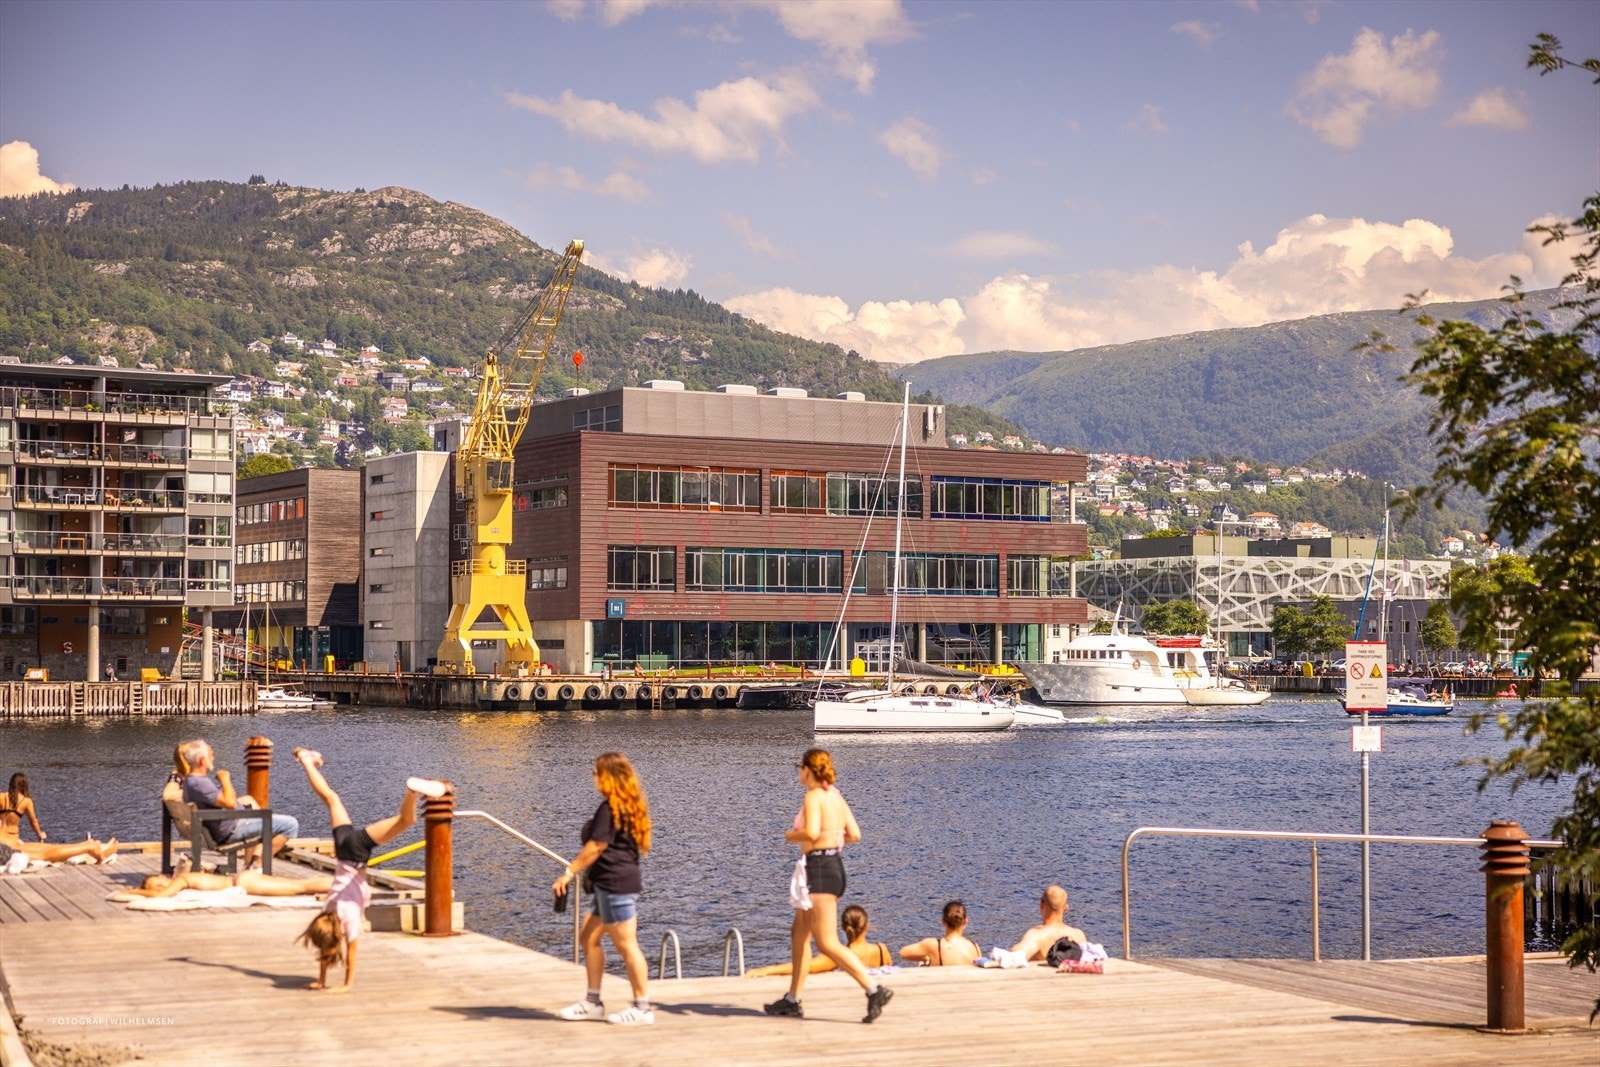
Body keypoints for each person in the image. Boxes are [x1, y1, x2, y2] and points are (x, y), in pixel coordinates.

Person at [292, 748, 438, 993]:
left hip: (356, 852)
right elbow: (327, 948)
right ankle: (306, 761)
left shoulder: (347, 919)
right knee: (332, 799)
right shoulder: (327, 910)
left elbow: (351, 953)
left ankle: (411, 793)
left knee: (406, 821)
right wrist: (321, 981)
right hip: (343, 849)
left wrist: (346, 985)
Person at [765, 748, 892, 1024]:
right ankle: (793, 999)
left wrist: (790, 835)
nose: (799, 773)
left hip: (819, 871)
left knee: (826, 942)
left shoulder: (813, 796)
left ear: (808, 770)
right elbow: (854, 834)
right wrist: (831, 837)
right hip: (832, 866)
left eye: (800, 768)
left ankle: (873, 990)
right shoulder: (836, 797)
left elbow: (810, 832)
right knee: (799, 934)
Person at [552, 752, 655, 1027]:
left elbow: (596, 846)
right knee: (588, 939)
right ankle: (593, 1002)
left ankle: (642, 1008)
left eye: (596, 773)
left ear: (608, 777)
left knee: (627, 946)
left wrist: (569, 873)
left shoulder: (610, 810)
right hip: (607, 886)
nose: (593, 777)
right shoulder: (624, 806)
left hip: (615, 885)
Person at [180, 740, 299, 866]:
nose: (213, 758)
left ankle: (254, 856)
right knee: (290, 824)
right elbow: (230, 803)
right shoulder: (200, 783)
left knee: (249, 801)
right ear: (202, 760)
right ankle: (256, 865)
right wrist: (225, 779)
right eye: (211, 755)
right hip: (231, 830)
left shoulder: (190, 781)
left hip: (221, 825)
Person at [746, 904, 890, 977]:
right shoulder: (881, 950)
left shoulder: (838, 956)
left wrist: (766, 970)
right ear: (866, 926)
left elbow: (804, 967)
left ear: (843, 928)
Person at [128, 854, 334, 898]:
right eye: (158, 886)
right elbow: (161, 894)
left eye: (159, 882)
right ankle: (340, 884)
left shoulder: (181, 880)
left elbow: (161, 895)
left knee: (300, 887)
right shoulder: (183, 881)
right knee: (298, 885)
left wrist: (132, 892)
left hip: (243, 881)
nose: (162, 886)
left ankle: (341, 885)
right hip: (243, 880)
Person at [1008, 885, 1086, 962]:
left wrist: (1013, 948)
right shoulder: (1078, 935)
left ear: (1041, 904)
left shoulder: (1037, 935)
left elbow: (1017, 956)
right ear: (1065, 908)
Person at [900, 900, 982, 967]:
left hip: (945, 982)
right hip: (968, 982)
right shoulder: (975, 947)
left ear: (943, 921)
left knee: (924, 962)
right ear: (965, 922)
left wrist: (926, 958)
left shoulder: (933, 945)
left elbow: (903, 953)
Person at [1, 772, 46, 841]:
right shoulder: (26, 801)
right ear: (24, 785)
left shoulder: (1, 796)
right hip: (13, 837)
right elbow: (33, 822)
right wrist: (40, 834)